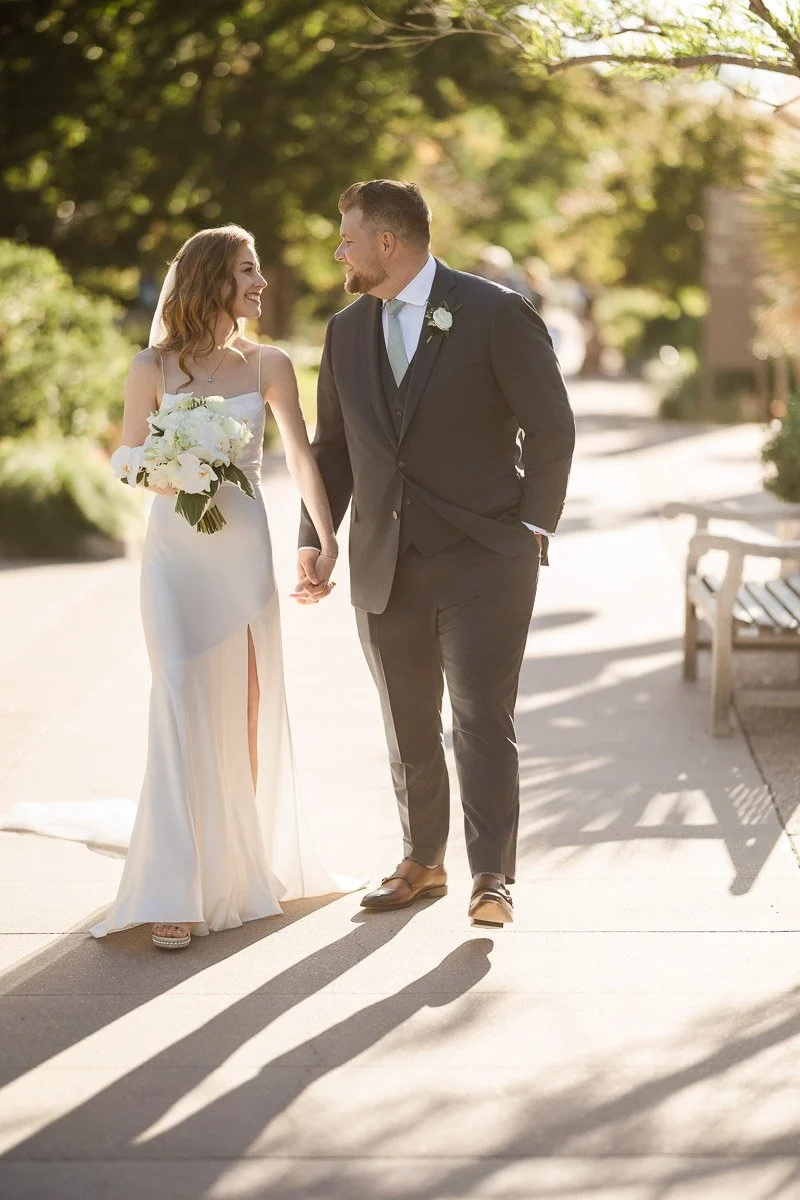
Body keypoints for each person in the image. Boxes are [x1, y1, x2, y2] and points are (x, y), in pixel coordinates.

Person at [295, 181, 575, 927]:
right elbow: (332, 450)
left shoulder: (493, 311)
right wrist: (315, 541)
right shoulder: (345, 331)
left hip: (487, 558)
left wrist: (535, 529)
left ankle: (493, 877)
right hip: (385, 560)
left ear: (388, 243)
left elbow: (551, 426)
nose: (339, 251)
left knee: (481, 718)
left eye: (347, 237)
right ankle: (423, 862)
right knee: (406, 721)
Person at [91, 224, 351, 949]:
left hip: (241, 555)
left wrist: (325, 542)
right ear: (212, 280)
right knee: (176, 695)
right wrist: (167, 470)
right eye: (247, 271)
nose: (261, 284)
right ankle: (174, 890)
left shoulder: (269, 364)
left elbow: (302, 457)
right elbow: (125, 457)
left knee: (242, 707)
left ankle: (233, 863)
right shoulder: (152, 366)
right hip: (174, 559)